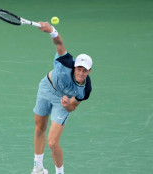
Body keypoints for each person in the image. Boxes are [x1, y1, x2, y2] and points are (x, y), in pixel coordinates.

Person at [31, 21, 93, 174]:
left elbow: (73, 107)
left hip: (62, 101)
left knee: (52, 142)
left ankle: (60, 172)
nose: (81, 72)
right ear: (74, 66)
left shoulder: (85, 89)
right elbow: (59, 42)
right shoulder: (65, 62)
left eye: (84, 70)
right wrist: (52, 30)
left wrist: (66, 105)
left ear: (89, 72)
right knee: (39, 127)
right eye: (79, 68)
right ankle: (38, 168)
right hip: (46, 88)